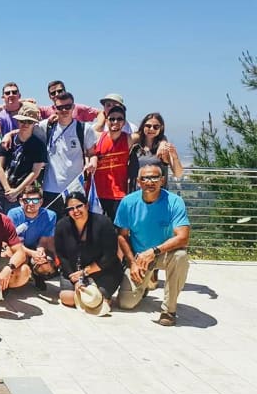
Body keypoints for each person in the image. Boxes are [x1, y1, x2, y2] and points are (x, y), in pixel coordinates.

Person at [115, 164, 191, 326]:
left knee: (181, 256)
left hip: (164, 253)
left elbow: (183, 238)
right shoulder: (128, 202)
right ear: (138, 182)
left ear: (162, 180)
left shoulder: (174, 202)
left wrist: (154, 251)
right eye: (145, 178)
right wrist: (132, 262)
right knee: (126, 303)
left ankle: (169, 310)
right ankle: (145, 284)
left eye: (155, 178)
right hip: (139, 257)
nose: (150, 182)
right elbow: (122, 236)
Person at [54, 192, 124, 310]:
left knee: (96, 298)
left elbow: (110, 254)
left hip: (103, 270)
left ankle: (99, 298)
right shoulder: (62, 225)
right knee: (67, 298)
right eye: (71, 208)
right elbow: (62, 255)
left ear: (86, 206)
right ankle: (92, 301)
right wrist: (75, 279)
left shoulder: (103, 222)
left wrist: (85, 272)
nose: (75, 211)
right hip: (74, 271)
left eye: (79, 206)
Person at [33, 92, 98, 216]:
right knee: (52, 226)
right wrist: (9, 135)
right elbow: (25, 129)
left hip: (75, 189)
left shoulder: (84, 129)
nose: (64, 110)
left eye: (67, 107)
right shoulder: (46, 126)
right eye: (60, 107)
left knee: (75, 226)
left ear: (73, 107)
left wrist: (93, 162)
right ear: (54, 108)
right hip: (50, 189)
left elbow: (92, 153)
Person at [0, 103, 48, 213]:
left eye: (29, 122)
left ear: (34, 124)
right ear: (17, 121)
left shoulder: (39, 145)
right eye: (22, 121)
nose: (25, 124)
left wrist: (17, 191)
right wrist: (8, 189)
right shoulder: (8, 140)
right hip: (1, 193)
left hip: (22, 196)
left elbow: (35, 172)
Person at [6, 185, 58, 290]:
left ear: (41, 202)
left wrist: (40, 251)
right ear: (21, 201)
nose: (31, 204)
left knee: (46, 265)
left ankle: (38, 275)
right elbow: (13, 242)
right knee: (10, 255)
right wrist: (31, 253)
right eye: (26, 200)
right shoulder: (13, 214)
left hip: (35, 247)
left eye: (35, 200)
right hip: (18, 248)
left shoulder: (50, 215)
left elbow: (44, 240)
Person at [92, 105, 132, 219]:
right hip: (96, 194)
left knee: (117, 228)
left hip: (119, 194)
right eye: (112, 119)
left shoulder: (129, 139)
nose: (115, 122)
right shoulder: (97, 137)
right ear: (106, 121)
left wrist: (163, 141)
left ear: (124, 122)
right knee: (96, 228)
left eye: (119, 119)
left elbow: (149, 136)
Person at [128, 112, 184, 191]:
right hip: (136, 193)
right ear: (143, 126)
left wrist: (175, 157)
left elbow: (178, 174)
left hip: (157, 194)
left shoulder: (163, 149)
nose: (151, 129)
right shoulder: (135, 147)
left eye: (156, 127)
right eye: (148, 126)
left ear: (160, 128)